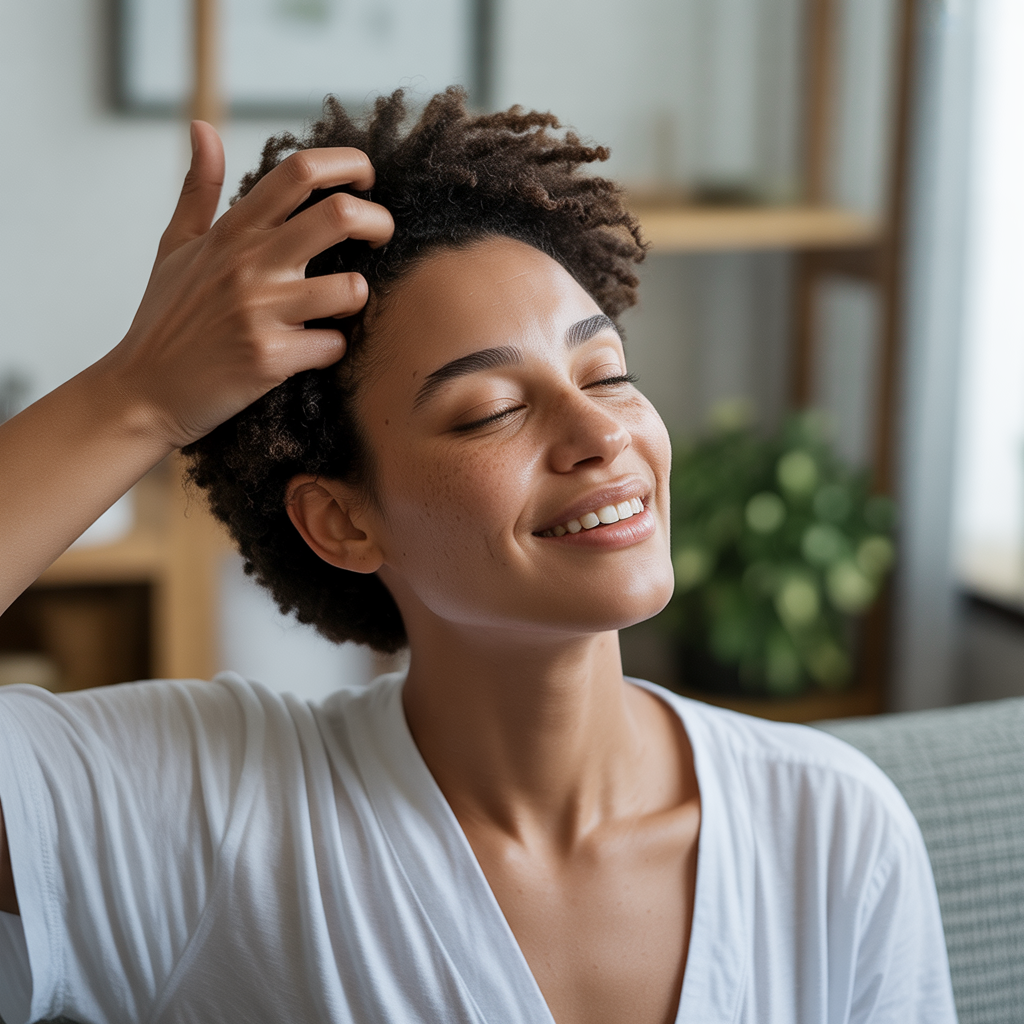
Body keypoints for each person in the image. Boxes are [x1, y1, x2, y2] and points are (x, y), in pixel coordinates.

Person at [0, 89, 957, 1024]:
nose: (599, 432)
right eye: (491, 410)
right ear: (342, 521)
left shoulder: (834, 830)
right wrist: (137, 396)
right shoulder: (209, 820)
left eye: (607, 372)